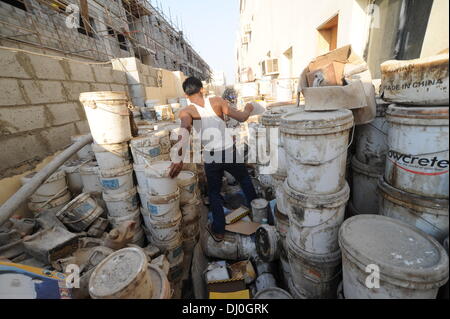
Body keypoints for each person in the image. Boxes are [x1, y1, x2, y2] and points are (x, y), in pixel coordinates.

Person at [169, 77, 257, 242]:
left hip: (211, 155)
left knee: (214, 193)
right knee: (245, 180)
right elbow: (243, 118)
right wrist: (248, 108)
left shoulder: (186, 111)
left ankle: (219, 231)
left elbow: (184, 130)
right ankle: (259, 213)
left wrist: (178, 158)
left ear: (185, 95)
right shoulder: (217, 101)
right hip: (229, 151)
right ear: (202, 89)